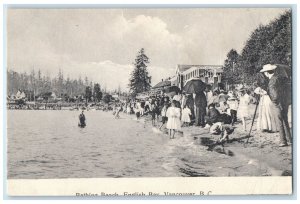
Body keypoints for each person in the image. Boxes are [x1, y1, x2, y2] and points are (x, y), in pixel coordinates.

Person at [260, 64, 292, 147]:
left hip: (278, 103)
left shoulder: (272, 81)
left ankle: (283, 141)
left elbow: (275, 95)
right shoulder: (281, 78)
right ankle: (289, 139)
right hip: (285, 102)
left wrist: (276, 103)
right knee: (285, 120)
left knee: (279, 121)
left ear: (267, 73)